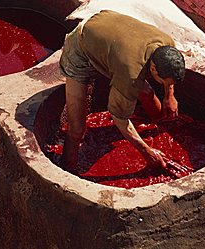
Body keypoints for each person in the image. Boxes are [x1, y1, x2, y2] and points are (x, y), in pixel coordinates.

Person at [59, 10, 185, 171]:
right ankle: (68, 169)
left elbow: (169, 78)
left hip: (107, 29)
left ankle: (163, 127)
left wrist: (169, 96)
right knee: (76, 129)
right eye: (162, 81)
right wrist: (146, 151)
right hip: (81, 46)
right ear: (152, 68)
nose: (165, 84)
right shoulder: (131, 74)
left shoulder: (167, 45)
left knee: (147, 93)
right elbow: (119, 117)